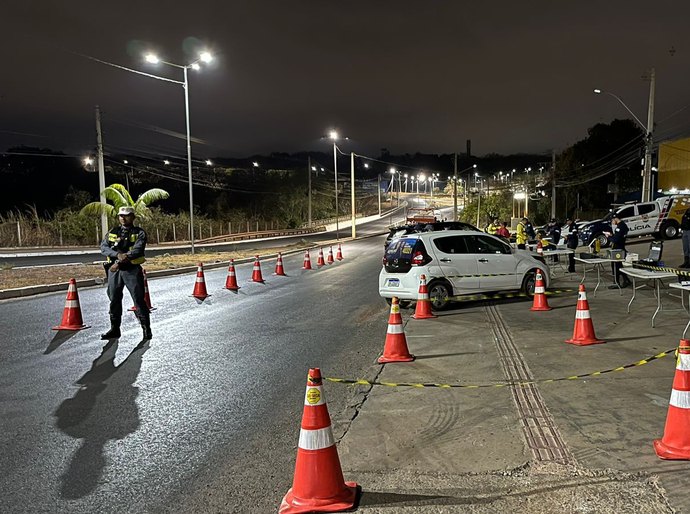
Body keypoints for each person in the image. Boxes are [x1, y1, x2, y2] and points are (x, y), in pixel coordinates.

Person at [100, 206, 152, 340]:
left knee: (138, 299)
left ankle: (146, 329)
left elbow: (138, 250)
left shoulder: (139, 232)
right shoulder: (113, 231)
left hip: (131, 270)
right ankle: (115, 329)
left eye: (126, 215)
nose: (123, 218)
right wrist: (117, 255)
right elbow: (104, 247)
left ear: (133, 217)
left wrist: (120, 260)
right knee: (114, 299)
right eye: (121, 216)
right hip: (114, 271)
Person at [608, 213, 631, 289]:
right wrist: (612, 235)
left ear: (615, 219)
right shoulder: (622, 225)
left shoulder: (620, 227)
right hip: (619, 248)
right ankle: (626, 280)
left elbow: (616, 239)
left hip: (618, 249)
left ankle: (616, 283)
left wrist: (609, 237)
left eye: (612, 220)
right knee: (619, 266)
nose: (612, 222)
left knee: (615, 266)